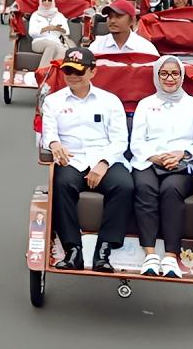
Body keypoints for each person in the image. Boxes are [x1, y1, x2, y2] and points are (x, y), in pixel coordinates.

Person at [41, 47, 134, 271]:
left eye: (79, 71)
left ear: (93, 71)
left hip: (105, 157)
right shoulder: (53, 101)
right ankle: (73, 249)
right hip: (71, 158)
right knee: (61, 185)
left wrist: (103, 163)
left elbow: (120, 140)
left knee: (125, 186)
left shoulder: (110, 101)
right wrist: (54, 144)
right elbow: (48, 134)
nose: (73, 76)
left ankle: (104, 249)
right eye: (68, 71)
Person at [130, 56, 193, 278]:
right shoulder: (145, 104)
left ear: (182, 76)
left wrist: (182, 153)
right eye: (164, 73)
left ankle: (170, 255)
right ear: (156, 76)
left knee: (171, 190)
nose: (169, 78)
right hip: (149, 160)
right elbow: (136, 142)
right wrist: (155, 156)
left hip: (183, 165)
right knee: (144, 187)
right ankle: (149, 254)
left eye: (175, 73)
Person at [90, 0, 159, 56]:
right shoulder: (97, 46)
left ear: (132, 20)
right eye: (110, 16)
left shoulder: (145, 49)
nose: (112, 21)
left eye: (118, 16)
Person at [29, 0, 72, 67]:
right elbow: (31, 33)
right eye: (44, 0)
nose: (47, 2)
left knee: (62, 50)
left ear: (53, 2)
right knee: (52, 46)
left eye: (49, 0)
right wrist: (45, 29)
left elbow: (67, 32)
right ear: (40, 2)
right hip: (39, 42)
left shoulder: (59, 15)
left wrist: (57, 28)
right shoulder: (35, 15)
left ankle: (54, 71)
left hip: (56, 41)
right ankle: (42, 70)